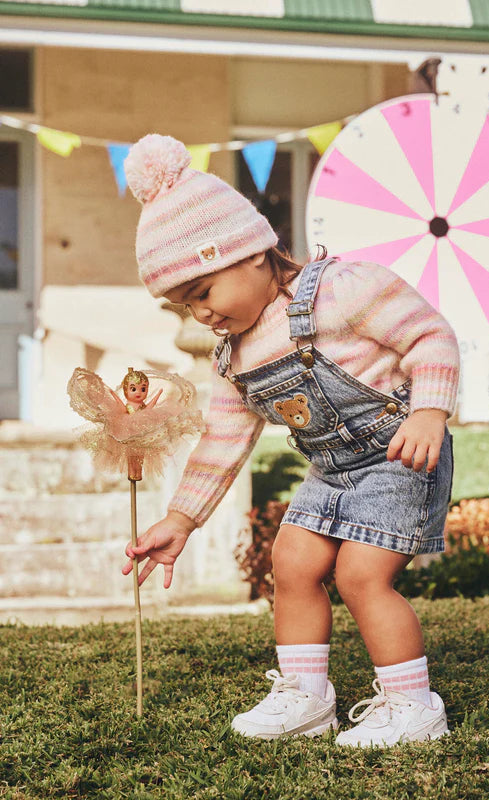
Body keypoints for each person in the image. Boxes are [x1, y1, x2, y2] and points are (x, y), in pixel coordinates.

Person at [121, 134, 459, 748]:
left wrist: (430, 411)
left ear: (251, 253)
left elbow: (430, 336)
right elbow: (223, 441)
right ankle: (305, 696)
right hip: (332, 470)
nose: (200, 313)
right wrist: (180, 518)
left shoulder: (343, 290)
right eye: (183, 305)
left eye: (203, 292)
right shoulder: (234, 358)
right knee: (292, 562)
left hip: (399, 457)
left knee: (361, 575)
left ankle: (413, 706)